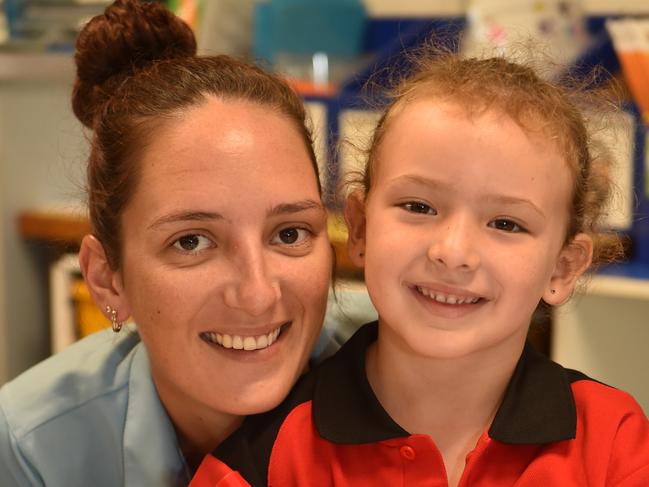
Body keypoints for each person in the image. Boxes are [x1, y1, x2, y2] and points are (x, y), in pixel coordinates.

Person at [189, 52, 649, 486]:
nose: (453, 251)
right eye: (419, 206)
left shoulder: (613, 442)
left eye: (505, 223)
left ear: (563, 268)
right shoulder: (261, 463)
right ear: (361, 229)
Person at [0, 0, 333, 485]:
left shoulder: (402, 385)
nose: (258, 293)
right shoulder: (34, 447)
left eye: (289, 234)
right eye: (192, 242)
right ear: (106, 278)